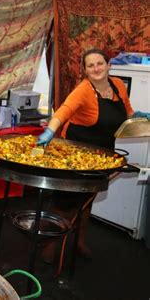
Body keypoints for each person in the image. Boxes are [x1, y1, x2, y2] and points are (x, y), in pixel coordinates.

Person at [37, 48, 150, 262]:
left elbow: (127, 112)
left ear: (109, 65)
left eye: (100, 63)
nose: (96, 68)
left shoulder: (117, 85)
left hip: (103, 152)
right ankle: (50, 245)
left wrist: (139, 118)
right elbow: (63, 111)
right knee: (66, 201)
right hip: (75, 152)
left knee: (89, 198)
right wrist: (50, 131)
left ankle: (79, 241)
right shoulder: (84, 90)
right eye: (90, 65)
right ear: (85, 71)